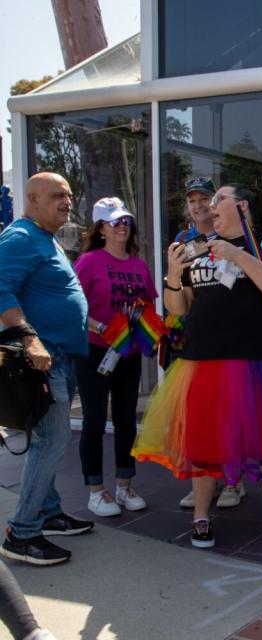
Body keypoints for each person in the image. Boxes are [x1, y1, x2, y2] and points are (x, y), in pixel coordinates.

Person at [132, 184, 262, 549]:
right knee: (203, 448)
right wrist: (174, 275)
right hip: (202, 362)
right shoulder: (199, 248)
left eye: (218, 199)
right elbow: (179, 308)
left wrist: (237, 257)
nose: (210, 205)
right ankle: (201, 517)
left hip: (258, 363)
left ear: (243, 205)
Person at [0, 173, 94, 566]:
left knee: (49, 439)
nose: (66, 201)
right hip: (42, 358)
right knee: (51, 441)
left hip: (60, 356)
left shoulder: (46, 238)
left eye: (69, 195)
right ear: (32, 199)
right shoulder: (20, 237)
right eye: (57, 195)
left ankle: (48, 511)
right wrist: (30, 339)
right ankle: (21, 534)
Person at [72, 198, 157, 517]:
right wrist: (100, 326)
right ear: (101, 229)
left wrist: (149, 332)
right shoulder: (89, 261)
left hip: (128, 352)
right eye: (114, 222)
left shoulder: (138, 264)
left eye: (125, 221)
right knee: (94, 419)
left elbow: (148, 303)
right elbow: (75, 307)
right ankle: (95, 490)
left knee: (125, 420)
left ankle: (124, 485)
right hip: (95, 350)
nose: (122, 226)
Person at [170, 177, 246, 510]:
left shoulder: (233, 236)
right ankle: (204, 482)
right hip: (199, 344)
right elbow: (181, 297)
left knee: (233, 419)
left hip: (234, 342)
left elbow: (233, 286)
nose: (199, 206)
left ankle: (233, 480)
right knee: (203, 422)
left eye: (205, 199)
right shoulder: (183, 242)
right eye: (192, 201)